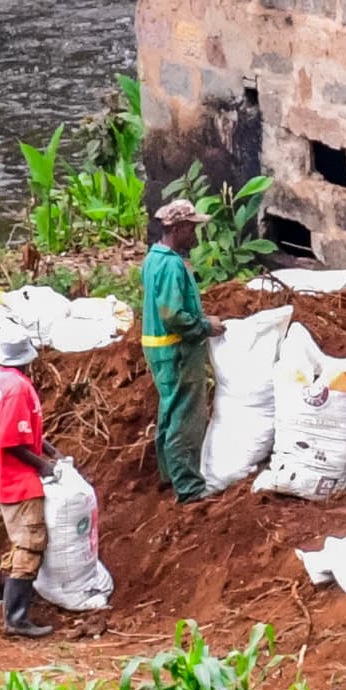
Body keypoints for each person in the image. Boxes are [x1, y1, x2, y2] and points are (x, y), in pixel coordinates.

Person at [0, 324, 59, 638]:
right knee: (30, 542)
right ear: (26, 359)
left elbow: (11, 427)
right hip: (17, 481)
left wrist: (45, 446)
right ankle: (16, 618)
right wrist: (43, 466)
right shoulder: (18, 387)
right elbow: (11, 442)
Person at [138, 199, 213, 501]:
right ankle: (189, 487)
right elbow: (172, 314)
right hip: (176, 350)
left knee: (170, 409)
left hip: (158, 348)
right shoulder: (170, 265)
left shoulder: (153, 258)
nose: (195, 234)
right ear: (178, 228)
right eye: (191, 228)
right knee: (185, 416)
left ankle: (169, 475)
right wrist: (205, 327)